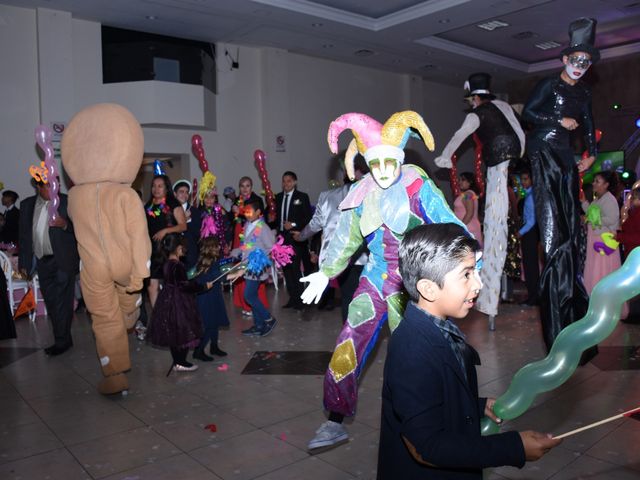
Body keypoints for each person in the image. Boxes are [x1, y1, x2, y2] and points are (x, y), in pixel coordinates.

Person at [302, 111, 466, 450]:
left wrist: (468, 259)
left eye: (390, 162)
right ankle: (334, 420)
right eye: (376, 164)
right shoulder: (361, 194)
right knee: (347, 343)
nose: (384, 171)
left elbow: (450, 225)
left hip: (415, 282)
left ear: (400, 158)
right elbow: (345, 239)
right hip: (376, 278)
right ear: (367, 163)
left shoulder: (418, 185)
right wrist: (326, 271)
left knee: (418, 355)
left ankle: (439, 418)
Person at [377, 223, 561, 479]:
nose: (478, 284)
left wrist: (473, 405)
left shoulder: (440, 326)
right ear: (428, 288)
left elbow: (431, 398)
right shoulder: (412, 350)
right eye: (466, 274)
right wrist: (513, 447)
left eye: (476, 271)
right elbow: (427, 447)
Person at [522, 17, 599, 356]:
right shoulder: (548, 85)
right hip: (543, 154)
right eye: (575, 60)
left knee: (569, 235)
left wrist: (591, 156)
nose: (580, 66)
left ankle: (573, 311)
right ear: (565, 60)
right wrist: (557, 120)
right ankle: (555, 320)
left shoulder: (583, 92)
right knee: (554, 236)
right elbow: (529, 113)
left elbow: (589, 124)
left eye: (586, 61)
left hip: (567, 159)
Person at [435, 73, 525, 329]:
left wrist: (444, 156)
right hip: (506, 160)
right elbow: (518, 129)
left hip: (498, 164)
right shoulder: (503, 106)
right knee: (496, 227)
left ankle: (490, 301)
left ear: (475, 98)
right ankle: (489, 300)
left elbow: (460, 135)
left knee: (496, 228)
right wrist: (520, 150)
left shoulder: (478, 114)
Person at [292, 160, 369, 321]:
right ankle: (354, 336)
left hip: (337, 258)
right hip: (364, 258)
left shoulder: (327, 197)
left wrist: (300, 236)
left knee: (348, 297)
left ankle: (350, 337)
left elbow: (314, 225)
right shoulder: (369, 194)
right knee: (362, 299)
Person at [19, 178, 79, 355]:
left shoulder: (67, 202)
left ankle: (61, 342)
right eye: (49, 185)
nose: (54, 189)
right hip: (41, 262)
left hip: (63, 260)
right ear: (38, 187)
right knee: (53, 302)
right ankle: (65, 338)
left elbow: (82, 229)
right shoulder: (27, 205)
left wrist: (65, 224)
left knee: (62, 301)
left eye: (56, 185)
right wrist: (24, 262)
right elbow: (24, 236)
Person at [147, 233, 212, 372]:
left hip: (168, 298)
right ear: (177, 248)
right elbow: (184, 286)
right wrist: (203, 287)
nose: (185, 249)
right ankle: (181, 361)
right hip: (179, 301)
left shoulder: (166, 263)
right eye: (183, 246)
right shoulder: (178, 265)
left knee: (174, 332)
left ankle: (177, 361)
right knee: (184, 329)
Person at [231, 197, 277, 337]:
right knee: (253, 295)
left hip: (256, 268)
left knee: (249, 295)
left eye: (250, 211)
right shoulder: (248, 225)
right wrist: (238, 250)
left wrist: (260, 260)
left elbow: (271, 247)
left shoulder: (263, 228)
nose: (247, 213)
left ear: (258, 212)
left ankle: (268, 319)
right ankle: (258, 325)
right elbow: (249, 244)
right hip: (247, 266)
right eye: (245, 211)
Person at [145, 175, 187, 307]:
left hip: (169, 248)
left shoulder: (173, 204)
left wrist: (165, 231)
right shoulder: (149, 205)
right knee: (152, 286)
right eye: (154, 186)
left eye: (160, 186)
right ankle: (158, 316)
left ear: (166, 188)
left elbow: (183, 226)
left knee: (172, 285)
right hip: (152, 250)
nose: (156, 189)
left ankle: (175, 313)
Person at [272, 171, 313, 310]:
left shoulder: (301, 197)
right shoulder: (277, 197)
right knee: (286, 269)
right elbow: (274, 218)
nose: (286, 184)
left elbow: (308, 217)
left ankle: (301, 300)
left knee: (295, 269)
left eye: (289, 181)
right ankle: (292, 298)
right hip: (282, 240)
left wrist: (294, 224)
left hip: (295, 238)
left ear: (295, 182)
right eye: (284, 181)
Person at [582, 172, 625, 297]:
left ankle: (603, 302)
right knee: (595, 271)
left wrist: (592, 219)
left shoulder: (609, 199)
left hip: (603, 242)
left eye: (597, 181)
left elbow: (612, 219)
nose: (593, 183)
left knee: (602, 272)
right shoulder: (599, 199)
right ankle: (595, 301)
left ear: (606, 185)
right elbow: (591, 213)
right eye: (594, 180)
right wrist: (584, 202)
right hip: (595, 240)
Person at [231, 176, 268, 316]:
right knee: (240, 267)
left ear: (251, 187)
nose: (244, 189)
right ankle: (244, 303)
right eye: (242, 186)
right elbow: (233, 220)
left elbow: (256, 217)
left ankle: (255, 304)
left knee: (252, 270)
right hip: (239, 233)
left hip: (253, 236)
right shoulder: (237, 200)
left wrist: (239, 210)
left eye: (247, 185)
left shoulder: (257, 200)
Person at [192, 236, 230, 361]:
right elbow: (216, 277)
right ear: (211, 248)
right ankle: (198, 351)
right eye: (217, 245)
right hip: (206, 298)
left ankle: (214, 347)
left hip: (214, 295)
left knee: (215, 322)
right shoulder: (207, 262)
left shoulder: (212, 260)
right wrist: (237, 273)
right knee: (209, 324)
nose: (219, 247)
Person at [516, 168, 540, 306]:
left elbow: (532, 220)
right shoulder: (529, 194)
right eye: (522, 179)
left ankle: (534, 297)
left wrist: (521, 232)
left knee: (530, 265)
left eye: (525, 179)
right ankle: (532, 295)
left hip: (529, 233)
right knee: (530, 265)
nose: (523, 182)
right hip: (529, 232)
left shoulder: (532, 196)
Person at [617, 187, 640, 323]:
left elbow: (637, 237)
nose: (630, 201)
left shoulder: (637, 214)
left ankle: (636, 315)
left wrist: (619, 237)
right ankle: (633, 313)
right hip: (632, 252)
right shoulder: (634, 212)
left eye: (633, 198)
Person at [173, 179, 201, 270]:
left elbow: (197, 234)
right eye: (181, 192)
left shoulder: (194, 211)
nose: (184, 195)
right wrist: (183, 220)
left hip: (190, 254)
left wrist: (187, 222)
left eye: (186, 192)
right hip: (173, 253)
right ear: (175, 194)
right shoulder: (169, 210)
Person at [453, 172, 483, 247]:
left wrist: (459, 227)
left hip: (468, 228)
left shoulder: (468, 194)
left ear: (470, 182)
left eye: (463, 180)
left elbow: (470, 214)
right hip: (468, 227)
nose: (460, 182)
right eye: (459, 180)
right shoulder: (468, 194)